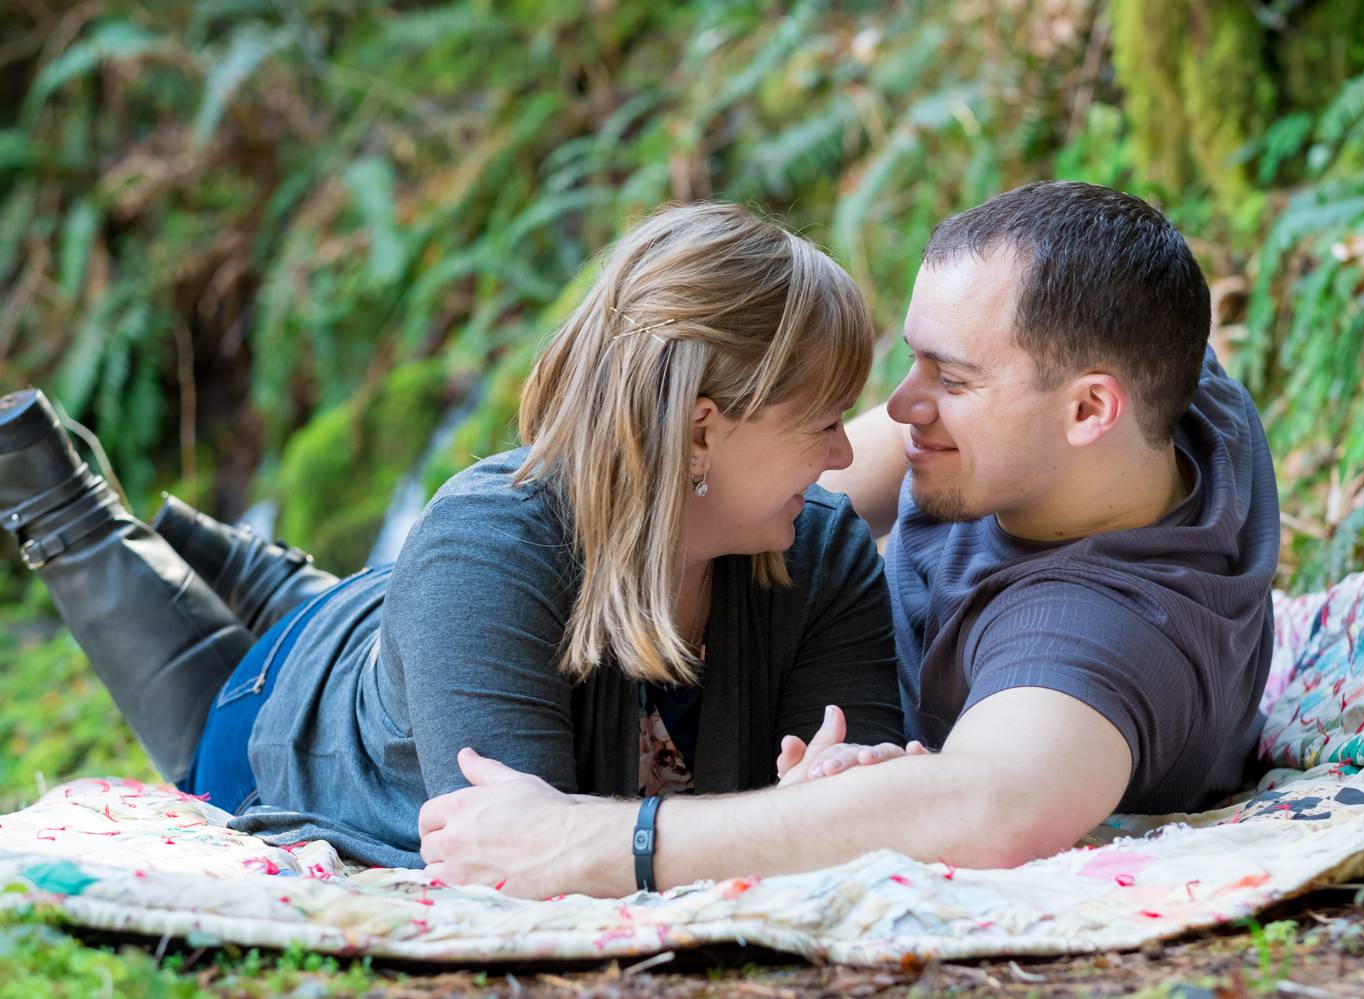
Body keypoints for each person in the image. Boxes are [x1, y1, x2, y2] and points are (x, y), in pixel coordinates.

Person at [417, 181, 1281, 897]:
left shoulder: (1095, 637)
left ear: (1091, 409)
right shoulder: (1165, 393)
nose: (899, 408)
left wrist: (599, 846)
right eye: (916, 359)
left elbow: (990, 805)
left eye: (951, 378)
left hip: (755, 682)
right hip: (485, 633)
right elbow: (711, 475)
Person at [0, 202, 909, 868]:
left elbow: (857, 812)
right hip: (293, 694)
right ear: (703, 428)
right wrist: (781, 824)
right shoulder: (488, 544)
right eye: (822, 420)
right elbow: (519, 864)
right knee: (152, 639)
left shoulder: (821, 549)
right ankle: (66, 504)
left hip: (432, 622)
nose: (844, 455)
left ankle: (237, 557)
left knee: (413, 604)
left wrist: (841, 796)